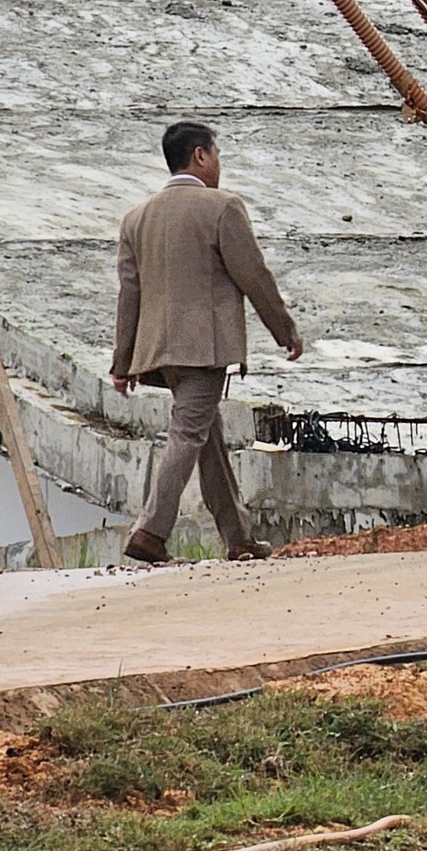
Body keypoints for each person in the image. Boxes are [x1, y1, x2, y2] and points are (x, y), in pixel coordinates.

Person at [112, 121, 302, 565]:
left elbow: (129, 296)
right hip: (204, 348)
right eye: (215, 154)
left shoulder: (136, 219)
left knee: (207, 437)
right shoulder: (221, 208)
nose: (218, 164)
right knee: (187, 434)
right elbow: (252, 275)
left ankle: (238, 538)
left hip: (159, 352)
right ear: (200, 155)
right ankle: (151, 531)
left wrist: (123, 363)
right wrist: (285, 330)